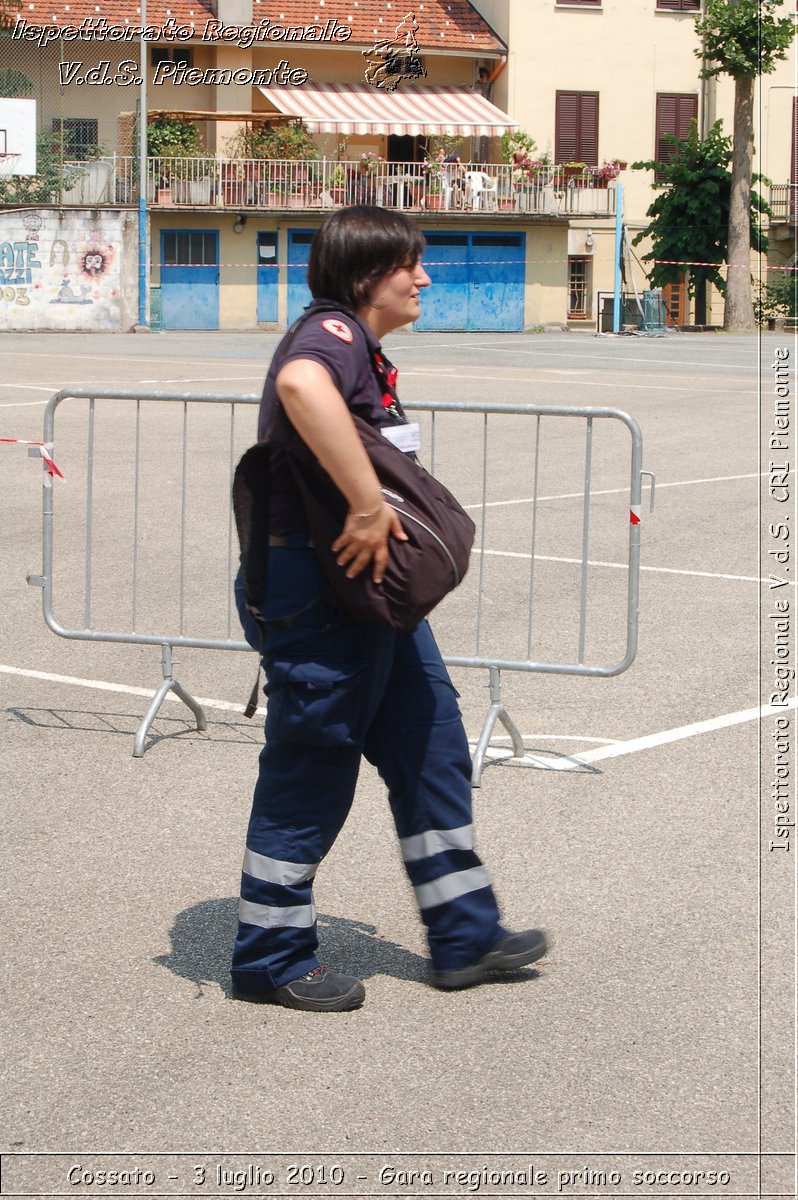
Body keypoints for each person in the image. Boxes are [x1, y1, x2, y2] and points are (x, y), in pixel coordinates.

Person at [231, 206, 547, 1011]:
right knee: (315, 763)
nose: (425, 278)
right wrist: (369, 507)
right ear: (369, 275)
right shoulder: (330, 338)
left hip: (363, 597)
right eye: (412, 264)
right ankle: (268, 956)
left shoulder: (361, 350)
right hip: (322, 591)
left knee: (432, 741)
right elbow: (300, 386)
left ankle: (463, 932)